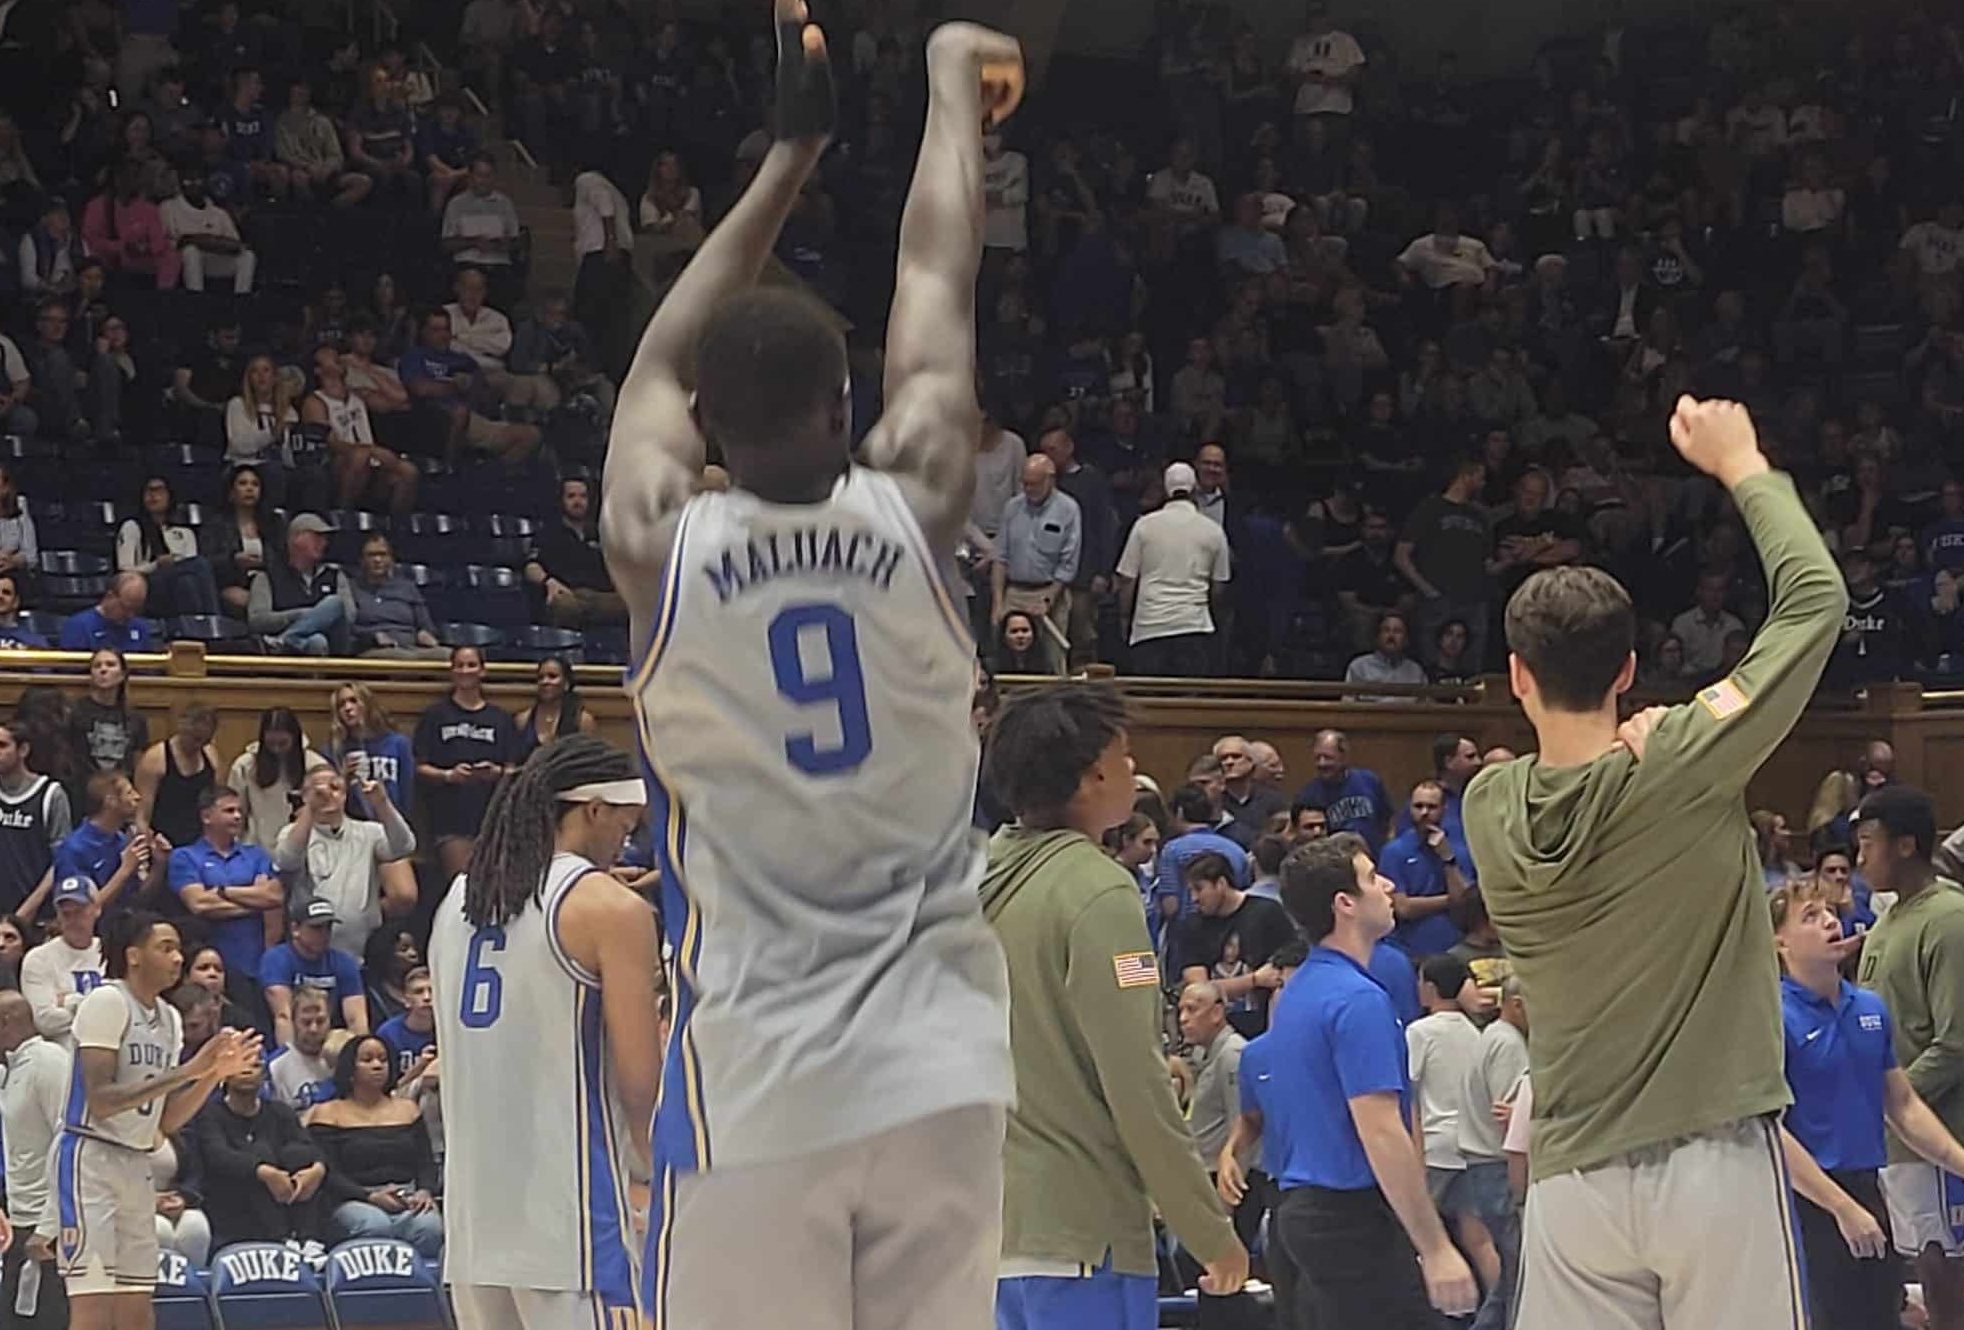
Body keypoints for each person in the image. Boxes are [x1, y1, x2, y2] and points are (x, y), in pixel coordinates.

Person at [600, 12, 1025, 1328]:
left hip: (764, 1084)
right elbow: (937, 284)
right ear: (849, 410)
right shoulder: (922, 496)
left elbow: (660, 354)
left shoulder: (657, 541)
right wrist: (954, 90)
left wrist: (791, 155)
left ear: (708, 427)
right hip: (945, 1067)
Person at [1462, 397, 1844, 1330]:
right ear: (1631, 668)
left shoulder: (1486, 805)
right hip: (1708, 1154)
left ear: (1517, 674)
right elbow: (1818, 601)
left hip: (1569, 1177)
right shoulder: (1678, 757)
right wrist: (1743, 461)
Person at [979, 685, 1246, 1327]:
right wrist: (1207, 1229)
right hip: (1084, 1234)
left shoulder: (978, 880)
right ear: (1094, 774)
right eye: (1125, 756)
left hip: (989, 1229)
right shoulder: (1099, 892)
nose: (1133, 768)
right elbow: (1136, 1083)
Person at [432, 736, 662, 1330]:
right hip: (572, 1232)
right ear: (594, 809)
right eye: (626, 824)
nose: (626, 842)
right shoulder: (611, 909)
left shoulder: (457, 899)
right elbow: (643, 1088)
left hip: (473, 1229)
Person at [1265, 834, 1479, 1324]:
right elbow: (1380, 1129)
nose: (1387, 885)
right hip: (1350, 1216)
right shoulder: (1357, 1000)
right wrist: (1436, 1247)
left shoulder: (1297, 993)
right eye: (1370, 877)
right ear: (1345, 904)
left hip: (1299, 1212)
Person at [1770, 878, 1964, 1330]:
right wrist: (1841, 1208)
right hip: (1808, 1201)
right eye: (1810, 917)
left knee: (1880, 1316)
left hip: (1869, 1189)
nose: (1830, 921)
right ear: (1779, 941)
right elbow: (1771, 1130)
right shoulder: (1775, 1017)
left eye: (1828, 912)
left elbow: (1902, 1105)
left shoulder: (1868, 1008)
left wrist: (1959, 1160)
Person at [57, 912, 258, 1329]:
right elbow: (101, 1100)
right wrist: (189, 1071)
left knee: (137, 1307)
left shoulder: (167, 1019)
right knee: (93, 1307)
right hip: (90, 1159)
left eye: (178, 948)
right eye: (165, 947)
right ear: (133, 955)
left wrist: (211, 1075)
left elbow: (164, 1121)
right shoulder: (108, 1002)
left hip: (137, 1162)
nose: (177, 957)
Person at [1853, 784, 1964, 1326]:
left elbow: (1957, 1042)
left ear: (1905, 845)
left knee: (1947, 1271)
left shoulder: (1949, 919)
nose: (1859, 858)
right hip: (1895, 1138)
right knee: (1922, 1265)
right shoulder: (1884, 925)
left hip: (1940, 1135)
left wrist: (1887, 1100)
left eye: (1868, 843)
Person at [1405, 955, 1498, 1299]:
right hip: (1473, 1145)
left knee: (1422, 1236)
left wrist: (1414, 1156)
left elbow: (1409, 1095)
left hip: (1436, 1147)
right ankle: (1500, 1310)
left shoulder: (1419, 1032)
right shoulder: (1478, 1032)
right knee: (1480, 1238)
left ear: (1429, 988)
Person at [304, 1034, 442, 1257]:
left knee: (429, 1227)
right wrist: (369, 1197)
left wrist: (425, 1191)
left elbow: (425, 1161)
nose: (377, 1065)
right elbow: (328, 1174)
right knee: (375, 1225)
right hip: (351, 1199)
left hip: (405, 1195)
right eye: (367, 1060)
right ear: (350, 1069)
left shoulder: (408, 1110)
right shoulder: (328, 1113)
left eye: (382, 1059)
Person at [275, 761, 416, 962]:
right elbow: (287, 860)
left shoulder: (370, 832)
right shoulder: (292, 833)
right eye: (318, 790)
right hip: (308, 953)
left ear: (345, 793)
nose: (328, 794)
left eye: (335, 787)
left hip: (362, 952)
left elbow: (404, 846)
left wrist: (381, 803)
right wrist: (310, 808)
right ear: (304, 796)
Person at [1452, 976, 1530, 1330]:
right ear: (1515, 1004)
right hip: (1499, 1168)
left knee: (1508, 1281)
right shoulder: (1508, 1044)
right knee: (1518, 1280)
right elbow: (1510, 1115)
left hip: (1483, 1166)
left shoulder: (1492, 1037)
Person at [195, 1055, 329, 1248]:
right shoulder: (210, 1113)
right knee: (259, 1153)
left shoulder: (280, 1111)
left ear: (265, 1075)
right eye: (239, 1064)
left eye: (255, 1065)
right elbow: (217, 1156)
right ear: (224, 1075)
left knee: (299, 1155)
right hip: (233, 1200)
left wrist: (318, 1169)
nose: (247, 1070)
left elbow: (310, 1147)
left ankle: (308, 1240)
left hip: (286, 1196)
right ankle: (280, 1239)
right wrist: (264, 1172)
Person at [1116, 461, 1233, 676]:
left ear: (1165, 488)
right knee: (1188, 702)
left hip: (1149, 627)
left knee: (1151, 700)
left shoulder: (1144, 525)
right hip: (1194, 626)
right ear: (1194, 488)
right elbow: (1219, 586)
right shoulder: (1213, 530)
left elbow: (1127, 579)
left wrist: (1124, 618)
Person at [414, 646, 516, 880]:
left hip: (492, 819)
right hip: (451, 818)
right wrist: (448, 775)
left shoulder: (500, 718)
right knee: (460, 886)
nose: (465, 670)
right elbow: (420, 767)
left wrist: (496, 772)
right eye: (459, 665)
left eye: (471, 665)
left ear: (482, 670)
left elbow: (513, 768)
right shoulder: (435, 715)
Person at [167, 788, 282, 995]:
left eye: (239, 811)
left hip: (253, 968)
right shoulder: (185, 856)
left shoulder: (256, 855)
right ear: (206, 816)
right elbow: (199, 904)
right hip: (207, 969)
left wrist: (222, 892)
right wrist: (254, 902)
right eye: (229, 811)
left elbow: (274, 898)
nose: (237, 816)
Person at [1172, 851, 1296, 1037]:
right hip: (1216, 1036)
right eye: (1190, 891)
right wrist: (1254, 979)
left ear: (1221, 884)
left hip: (1266, 1029)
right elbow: (1201, 991)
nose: (1193, 898)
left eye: (1199, 889)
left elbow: (1288, 969)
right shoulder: (1191, 927)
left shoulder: (1268, 913)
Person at [1, 987, 67, 1330]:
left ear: (7, 1021)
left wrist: (50, 1226)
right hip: (19, 1222)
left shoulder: (48, 1061)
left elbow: (69, 1142)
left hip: (49, 1228)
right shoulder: (10, 1070)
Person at [258, 899, 367, 1050]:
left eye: (328, 927)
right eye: (316, 928)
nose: (324, 934)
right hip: (290, 1039)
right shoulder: (277, 959)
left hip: (328, 1043)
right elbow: (283, 1016)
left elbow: (356, 1019)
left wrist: (359, 1054)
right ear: (295, 929)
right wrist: (289, 1059)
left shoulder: (344, 962)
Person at [1382, 780, 1474, 957]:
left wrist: (1448, 859)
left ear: (1444, 809)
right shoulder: (1394, 852)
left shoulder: (1459, 850)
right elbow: (1403, 908)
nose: (1424, 813)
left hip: (1454, 949)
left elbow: (1466, 906)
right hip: (1410, 950)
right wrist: (1450, 900)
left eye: (1432, 807)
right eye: (1418, 806)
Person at [53, 771, 167, 913]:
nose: (138, 797)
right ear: (110, 801)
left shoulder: (122, 841)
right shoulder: (74, 849)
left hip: (124, 923)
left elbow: (138, 899)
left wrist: (159, 865)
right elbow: (81, 911)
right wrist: (125, 869)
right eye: (129, 793)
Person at [246, 513, 355, 657]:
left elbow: (349, 615)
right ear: (296, 538)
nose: (323, 543)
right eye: (317, 537)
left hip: (336, 641)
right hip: (292, 652)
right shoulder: (267, 577)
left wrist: (317, 617)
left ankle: (285, 639)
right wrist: (299, 615)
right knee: (317, 641)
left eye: (324, 538)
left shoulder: (335, 575)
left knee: (335, 603)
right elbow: (256, 620)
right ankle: (293, 642)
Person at [113, 477, 222, 618]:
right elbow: (124, 570)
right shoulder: (131, 527)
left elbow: (193, 570)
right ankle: (214, 620)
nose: (153, 495)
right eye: (149, 491)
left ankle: (196, 628)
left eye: (159, 490)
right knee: (199, 565)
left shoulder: (185, 533)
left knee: (188, 581)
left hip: (176, 585)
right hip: (146, 585)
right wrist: (155, 565)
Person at [226, 707, 330, 851]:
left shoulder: (315, 765)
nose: (276, 749)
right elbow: (236, 813)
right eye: (271, 744)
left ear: (295, 739)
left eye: (283, 744)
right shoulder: (245, 766)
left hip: (306, 850)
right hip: (256, 849)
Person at [0, 717, 73, 923]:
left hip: (35, 914)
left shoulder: (50, 794)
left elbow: (60, 861)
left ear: (23, 750)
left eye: (2, 746)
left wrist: (25, 912)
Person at [19, 878, 103, 1043]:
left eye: (79, 911)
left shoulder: (111, 952)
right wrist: (100, 1007)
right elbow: (45, 1022)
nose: (73, 920)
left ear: (96, 909)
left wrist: (70, 1002)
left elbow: (123, 1012)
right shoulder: (38, 958)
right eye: (66, 914)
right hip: (61, 1053)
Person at [132, 705, 219, 852]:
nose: (198, 746)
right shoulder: (155, 759)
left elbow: (215, 803)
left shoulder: (210, 755)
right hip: (163, 843)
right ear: (182, 729)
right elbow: (141, 815)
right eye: (195, 739)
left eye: (204, 741)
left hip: (199, 845)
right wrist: (148, 845)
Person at [324, 683, 414, 818]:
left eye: (353, 701)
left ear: (367, 704)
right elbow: (327, 801)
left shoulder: (398, 744)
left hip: (392, 823)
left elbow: (409, 793)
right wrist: (344, 778)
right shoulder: (334, 750)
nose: (348, 708)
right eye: (341, 705)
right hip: (353, 828)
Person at [1294, 729, 1392, 852]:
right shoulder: (1308, 795)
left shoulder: (1369, 780)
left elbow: (1386, 819)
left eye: (1328, 757)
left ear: (1343, 756)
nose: (1322, 763)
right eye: (1317, 758)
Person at [265, 987, 338, 1110]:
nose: (313, 1029)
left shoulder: (342, 1057)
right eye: (306, 1022)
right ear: (293, 1022)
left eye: (320, 1021)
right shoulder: (276, 1065)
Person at [513, 655, 597, 758]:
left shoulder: (582, 720)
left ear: (566, 683)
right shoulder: (522, 720)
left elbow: (588, 761)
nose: (545, 682)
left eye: (552, 676)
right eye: (541, 677)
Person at [374, 966, 434, 1079]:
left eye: (432, 991)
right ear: (406, 1000)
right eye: (418, 992)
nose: (427, 997)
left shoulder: (450, 1030)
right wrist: (419, 1067)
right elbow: (385, 1086)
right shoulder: (388, 1033)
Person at [60, 589, 153, 662]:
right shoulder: (78, 625)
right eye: (125, 608)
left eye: (136, 609)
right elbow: (70, 671)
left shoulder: (141, 627)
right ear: (110, 597)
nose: (130, 615)